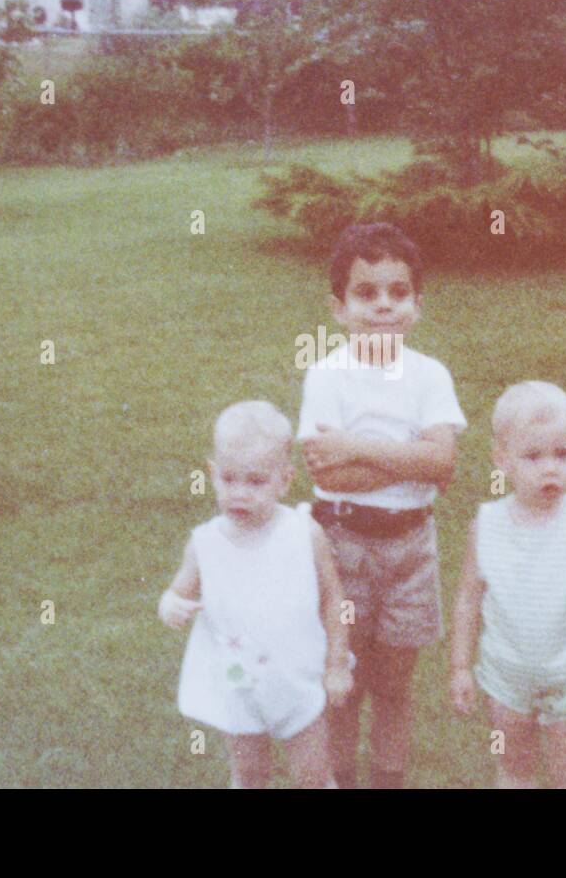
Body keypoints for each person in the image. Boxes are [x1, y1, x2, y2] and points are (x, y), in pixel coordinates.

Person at [298, 223, 466, 789]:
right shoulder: (326, 376)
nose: (383, 306)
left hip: (410, 550)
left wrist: (357, 445)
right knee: (341, 678)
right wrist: (406, 457)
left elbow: (443, 464)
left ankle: (389, 778)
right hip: (340, 549)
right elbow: (329, 471)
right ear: (339, 308)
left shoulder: (429, 376)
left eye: (398, 292)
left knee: (394, 685)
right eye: (366, 294)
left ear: (417, 305)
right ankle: (339, 779)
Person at [450, 381, 566, 788]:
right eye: (533, 456)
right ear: (502, 461)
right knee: (514, 771)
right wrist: (461, 667)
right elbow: (468, 599)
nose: (550, 467)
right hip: (505, 682)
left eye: (562, 454)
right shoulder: (487, 526)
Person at [159, 401, 353, 788]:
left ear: (284, 480)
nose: (240, 494)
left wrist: (336, 664)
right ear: (212, 474)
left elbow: (336, 601)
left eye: (256, 481)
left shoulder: (303, 534)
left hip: (298, 678)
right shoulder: (206, 544)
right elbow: (176, 592)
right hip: (237, 682)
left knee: (312, 774)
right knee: (249, 773)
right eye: (229, 480)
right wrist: (171, 606)